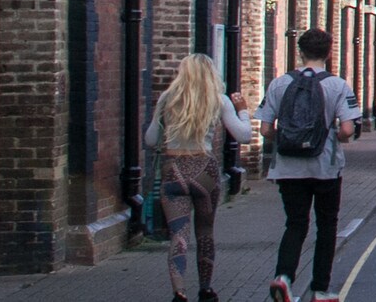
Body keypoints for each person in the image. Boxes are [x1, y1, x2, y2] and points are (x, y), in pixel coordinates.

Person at [255, 27, 362, 302]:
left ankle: (283, 277)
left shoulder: (279, 84)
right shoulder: (337, 85)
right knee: (326, 226)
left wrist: (288, 138)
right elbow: (348, 130)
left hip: (288, 168)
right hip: (325, 168)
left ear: (300, 52)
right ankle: (320, 289)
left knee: (295, 224)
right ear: (328, 53)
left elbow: (266, 129)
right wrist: (334, 137)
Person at [148, 53, 257, 302]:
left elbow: (150, 140)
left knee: (179, 234)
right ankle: (206, 290)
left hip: (174, 168)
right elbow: (243, 136)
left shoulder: (167, 98)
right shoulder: (218, 100)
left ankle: (179, 292)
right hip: (204, 170)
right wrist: (242, 111)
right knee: (205, 231)